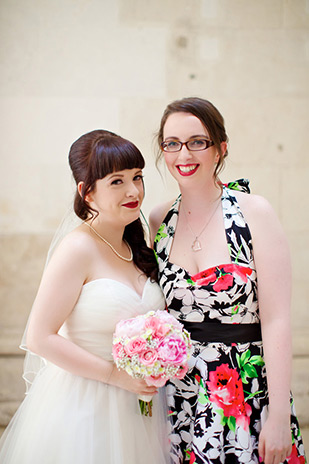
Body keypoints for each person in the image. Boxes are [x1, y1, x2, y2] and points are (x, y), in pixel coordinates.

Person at [149, 98, 306, 464]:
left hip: (245, 392)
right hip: (179, 396)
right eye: (172, 143)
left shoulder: (254, 213)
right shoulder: (159, 220)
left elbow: (278, 320)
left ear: (220, 148)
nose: (183, 154)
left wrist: (279, 416)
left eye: (196, 141)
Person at [0, 129, 169, 464]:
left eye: (137, 177)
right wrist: (113, 375)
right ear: (87, 192)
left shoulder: (136, 245)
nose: (134, 190)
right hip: (86, 405)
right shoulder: (77, 248)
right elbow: (39, 337)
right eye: (117, 182)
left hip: (141, 407)